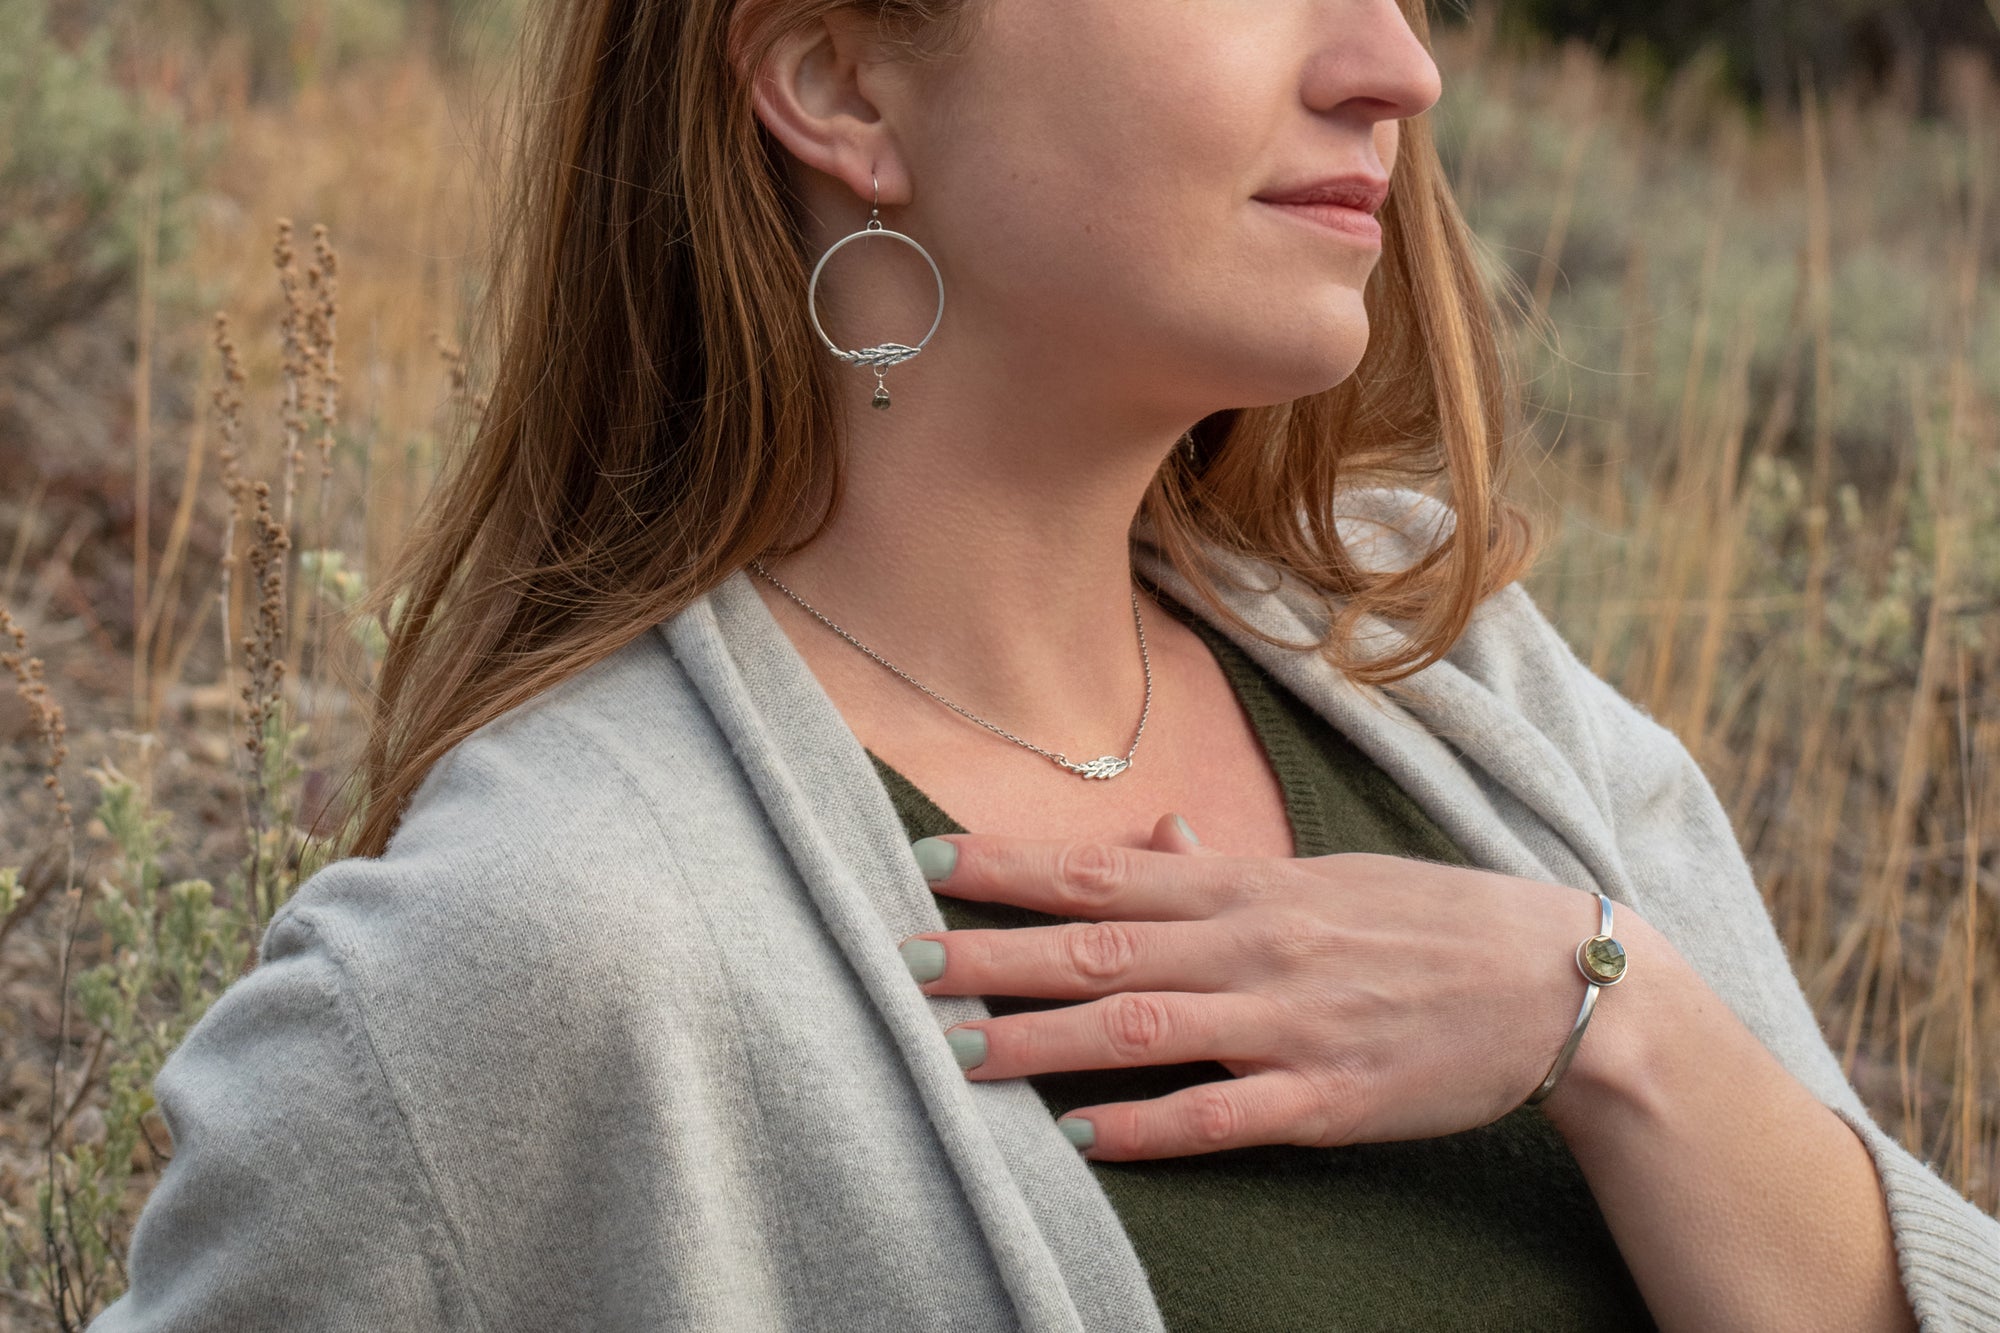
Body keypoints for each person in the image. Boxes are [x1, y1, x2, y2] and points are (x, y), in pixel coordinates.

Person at [93, 1, 2000, 1330]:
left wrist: (1609, 1018)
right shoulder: (542, 946)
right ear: (841, 82)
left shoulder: (1443, 657)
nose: (1396, 67)